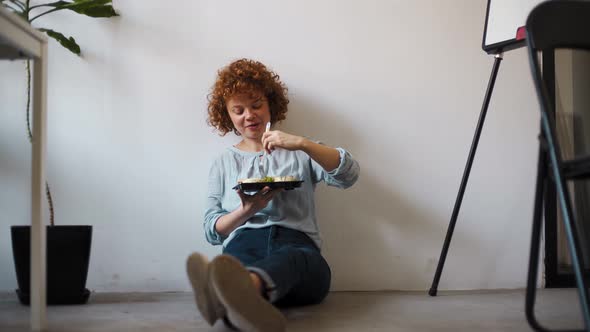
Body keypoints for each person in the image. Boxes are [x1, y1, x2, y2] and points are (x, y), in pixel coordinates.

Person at [186, 58, 360, 332]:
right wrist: (246, 211)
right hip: (244, 243)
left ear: (270, 105)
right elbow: (212, 231)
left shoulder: (300, 150)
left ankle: (235, 293)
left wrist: (302, 143)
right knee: (233, 264)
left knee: (292, 257)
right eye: (238, 110)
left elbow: (348, 175)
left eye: (256, 105)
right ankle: (242, 296)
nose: (249, 115)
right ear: (227, 115)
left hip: (299, 251)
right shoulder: (223, 163)